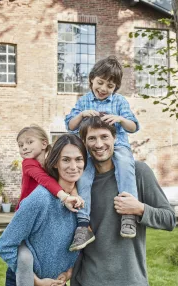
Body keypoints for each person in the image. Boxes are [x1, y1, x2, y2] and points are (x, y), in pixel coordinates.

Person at [70, 116, 176, 286]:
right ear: (85, 143)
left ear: (115, 139)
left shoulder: (139, 172)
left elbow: (169, 219)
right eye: (92, 138)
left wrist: (140, 208)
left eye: (104, 137)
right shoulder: (81, 181)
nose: (99, 144)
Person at [0, 134, 87, 286]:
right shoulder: (40, 198)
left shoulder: (82, 201)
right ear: (55, 163)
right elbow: (4, 246)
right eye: (66, 160)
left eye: (79, 159)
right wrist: (36, 281)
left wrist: (67, 274)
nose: (73, 166)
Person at [65, 56, 140, 251]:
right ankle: (83, 224)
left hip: (119, 145)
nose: (104, 88)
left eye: (110, 85)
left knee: (125, 165)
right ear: (91, 79)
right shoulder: (84, 102)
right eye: (100, 82)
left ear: (116, 88)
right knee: (84, 176)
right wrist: (81, 115)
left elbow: (133, 127)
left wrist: (121, 119)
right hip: (90, 150)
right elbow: (70, 125)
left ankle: (128, 215)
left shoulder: (119, 102)